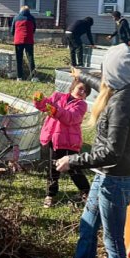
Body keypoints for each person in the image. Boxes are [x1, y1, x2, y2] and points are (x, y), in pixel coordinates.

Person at [52, 44, 130, 258]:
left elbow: (111, 153)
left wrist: (73, 160)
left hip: (114, 182)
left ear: (113, 74)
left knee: (113, 243)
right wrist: (80, 76)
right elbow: (101, 83)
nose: (103, 76)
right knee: (87, 230)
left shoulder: (120, 106)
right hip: (106, 179)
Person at [33, 78, 92, 208]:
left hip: (68, 142)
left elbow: (70, 118)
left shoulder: (81, 105)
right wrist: (39, 100)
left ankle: (87, 192)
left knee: (74, 169)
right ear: (73, 87)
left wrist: (55, 110)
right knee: (52, 169)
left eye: (85, 91)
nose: (82, 92)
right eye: (80, 88)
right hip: (52, 139)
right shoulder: (57, 96)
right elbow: (45, 106)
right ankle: (50, 195)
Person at [10, 6, 37, 80]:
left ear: (20, 11)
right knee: (30, 58)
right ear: (28, 11)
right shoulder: (31, 18)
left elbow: (12, 30)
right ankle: (33, 77)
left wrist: (15, 35)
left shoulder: (16, 18)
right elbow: (34, 29)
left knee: (19, 59)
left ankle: (19, 77)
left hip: (18, 40)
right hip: (29, 40)